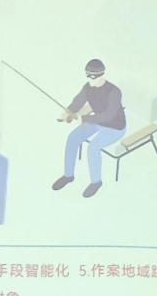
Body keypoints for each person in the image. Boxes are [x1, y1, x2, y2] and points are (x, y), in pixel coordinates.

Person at [52, 58, 126, 199]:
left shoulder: (114, 91)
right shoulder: (87, 88)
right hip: (97, 122)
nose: (90, 79)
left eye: (93, 76)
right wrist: (67, 112)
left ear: (101, 74)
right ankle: (68, 175)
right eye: (88, 75)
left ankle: (96, 182)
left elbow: (108, 115)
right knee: (72, 137)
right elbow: (77, 102)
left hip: (114, 127)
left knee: (93, 147)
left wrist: (84, 119)